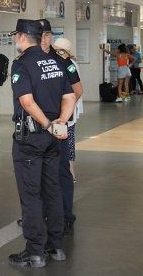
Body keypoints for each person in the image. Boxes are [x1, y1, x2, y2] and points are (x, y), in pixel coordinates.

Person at [9, 19, 76, 268]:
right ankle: (56, 246)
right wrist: (61, 122)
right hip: (53, 139)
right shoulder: (56, 62)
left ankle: (35, 251)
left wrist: (48, 124)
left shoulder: (23, 64)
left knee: (31, 195)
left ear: (23, 36)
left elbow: (26, 102)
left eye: (16, 35)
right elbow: (70, 95)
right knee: (52, 189)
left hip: (32, 138)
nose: (16, 39)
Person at [39, 20, 83, 237]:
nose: (43, 38)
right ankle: (40, 214)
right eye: (40, 35)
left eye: (47, 35)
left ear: (51, 37)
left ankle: (66, 216)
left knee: (61, 171)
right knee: (37, 173)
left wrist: (62, 117)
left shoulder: (63, 60)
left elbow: (77, 90)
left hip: (58, 126)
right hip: (37, 126)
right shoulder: (30, 60)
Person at [52, 38, 84, 183]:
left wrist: (65, 110)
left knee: (67, 140)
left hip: (67, 111)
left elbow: (76, 91)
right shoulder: (69, 63)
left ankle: (70, 173)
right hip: (68, 110)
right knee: (67, 140)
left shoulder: (68, 64)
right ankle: (68, 173)